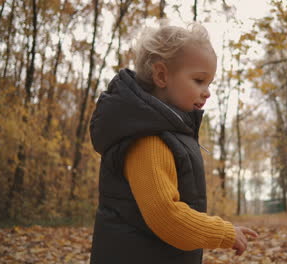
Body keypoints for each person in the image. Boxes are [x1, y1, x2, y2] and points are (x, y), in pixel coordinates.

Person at [88, 22, 258, 264]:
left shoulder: (166, 132)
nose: (207, 91)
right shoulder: (147, 140)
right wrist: (223, 232)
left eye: (210, 83)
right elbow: (165, 216)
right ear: (161, 75)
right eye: (199, 80)